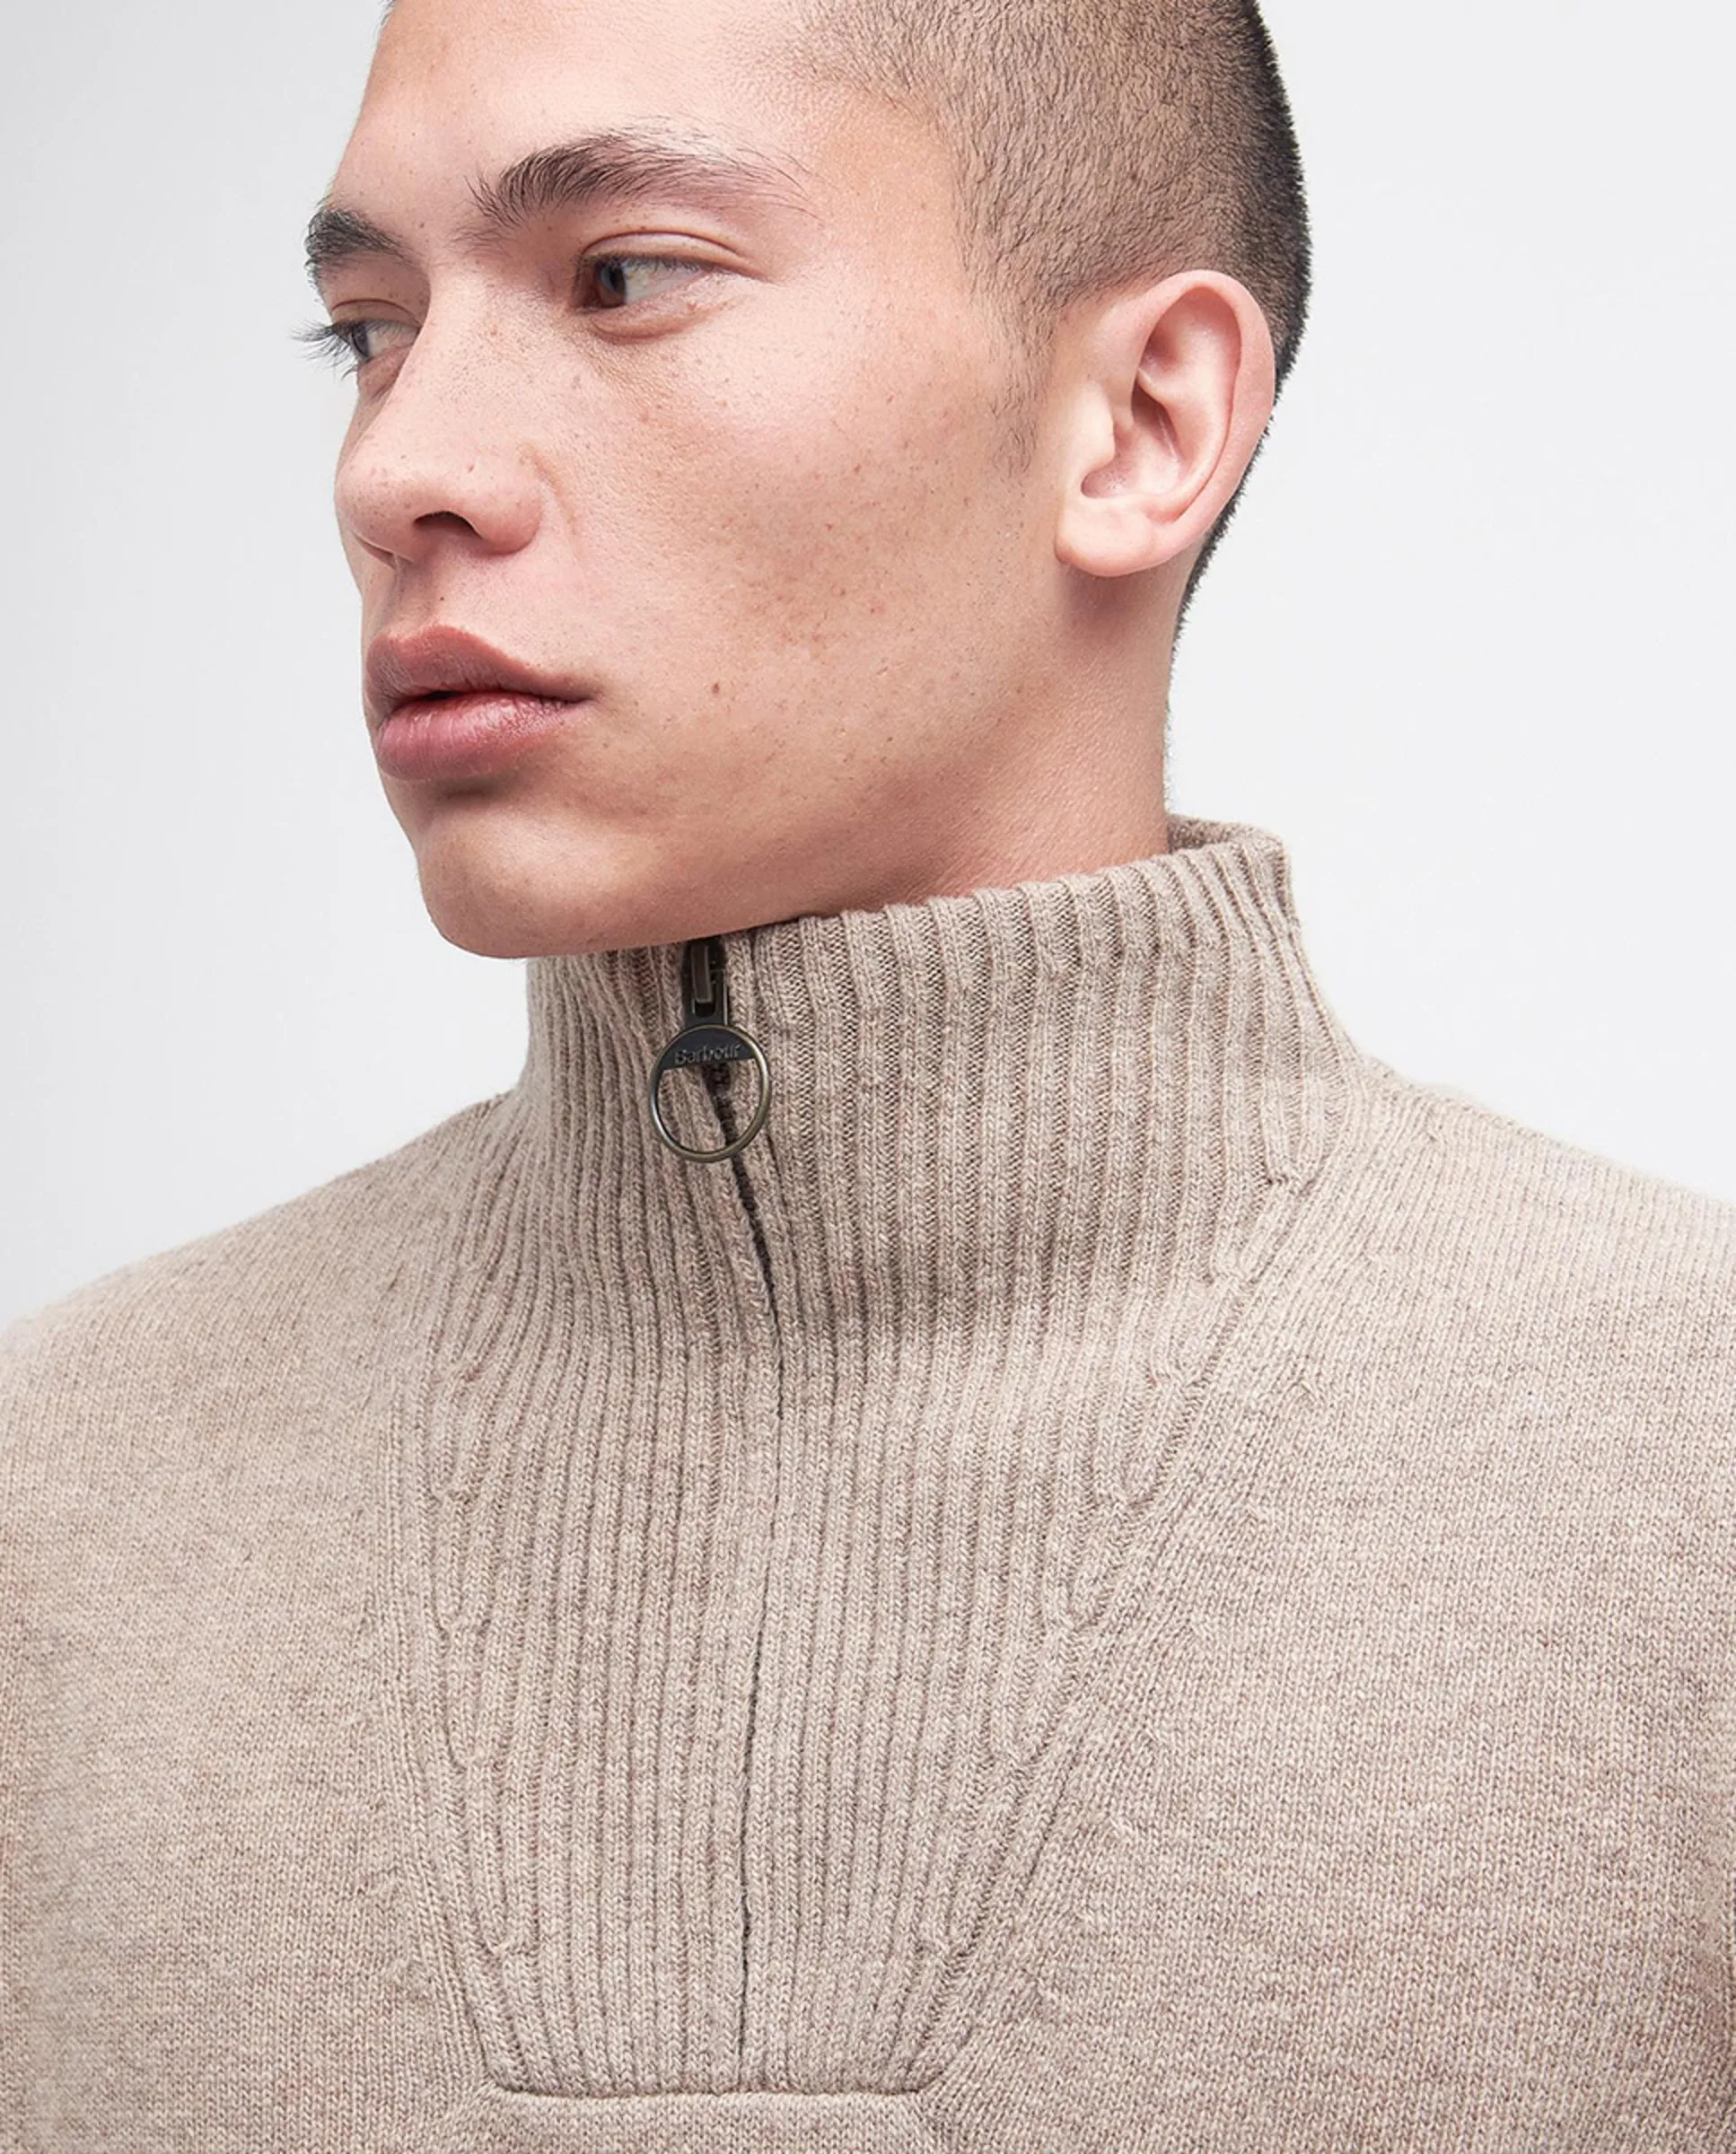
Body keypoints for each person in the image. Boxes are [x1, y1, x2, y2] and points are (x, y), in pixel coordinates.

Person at [3, 0, 1732, 2142]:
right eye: (368, 329)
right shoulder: (49, 1509)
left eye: (621, 278)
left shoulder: (1685, 1484)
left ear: (1141, 421)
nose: (393, 470)